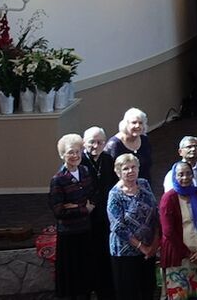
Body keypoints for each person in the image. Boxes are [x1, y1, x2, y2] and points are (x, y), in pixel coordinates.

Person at [49, 132, 97, 300]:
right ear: (62, 154)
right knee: (71, 275)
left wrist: (76, 206)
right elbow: (59, 211)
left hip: (85, 229)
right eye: (70, 152)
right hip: (69, 233)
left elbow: (93, 195)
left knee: (85, 272)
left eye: (78, 151)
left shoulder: (85, 171)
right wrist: (83, 208)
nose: (75, 155)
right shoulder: (58, 179)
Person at [106, 152, 159, 300]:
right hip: (125, 252)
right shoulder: (115, 194)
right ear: (118, 172)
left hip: (148, 249)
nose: (131, 171)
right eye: (126, 168)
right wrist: (142, 247)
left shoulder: (144, 184)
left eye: (133, 167)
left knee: (148, 290)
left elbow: (155, 212)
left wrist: (155, 243)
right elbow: (118, 227)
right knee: (129, 293)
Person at [158, 159, 197, 300]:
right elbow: (168, 231)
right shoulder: (168, 198)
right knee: (179, 295)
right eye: (180, 174)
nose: (185, 177)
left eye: (188, 173)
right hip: (178, 256)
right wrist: (188, 254)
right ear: (174, 176)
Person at [83, 128, 116, 299]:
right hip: (86, 220)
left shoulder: (108, 159)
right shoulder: (79, 161)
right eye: (91, 142)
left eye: (100, 142)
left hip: (106, 218)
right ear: (84, 143)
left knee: (105, 258)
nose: (96, 146)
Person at [108, 108, 153, 186]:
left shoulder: (144, 139)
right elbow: (110, 173)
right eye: (134, 122)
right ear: (126, 124)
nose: (137, 126)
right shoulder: (114, 145)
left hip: (144, 185)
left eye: (140, 123)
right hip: (124, 188)